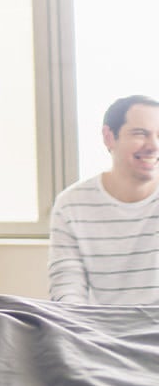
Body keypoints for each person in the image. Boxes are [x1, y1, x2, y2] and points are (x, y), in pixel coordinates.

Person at [48, 94, 159, 305]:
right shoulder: (71, 205)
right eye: (140, 133)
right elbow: (67, 289)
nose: (153, 145)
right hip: (103, 331)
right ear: (109, 137)